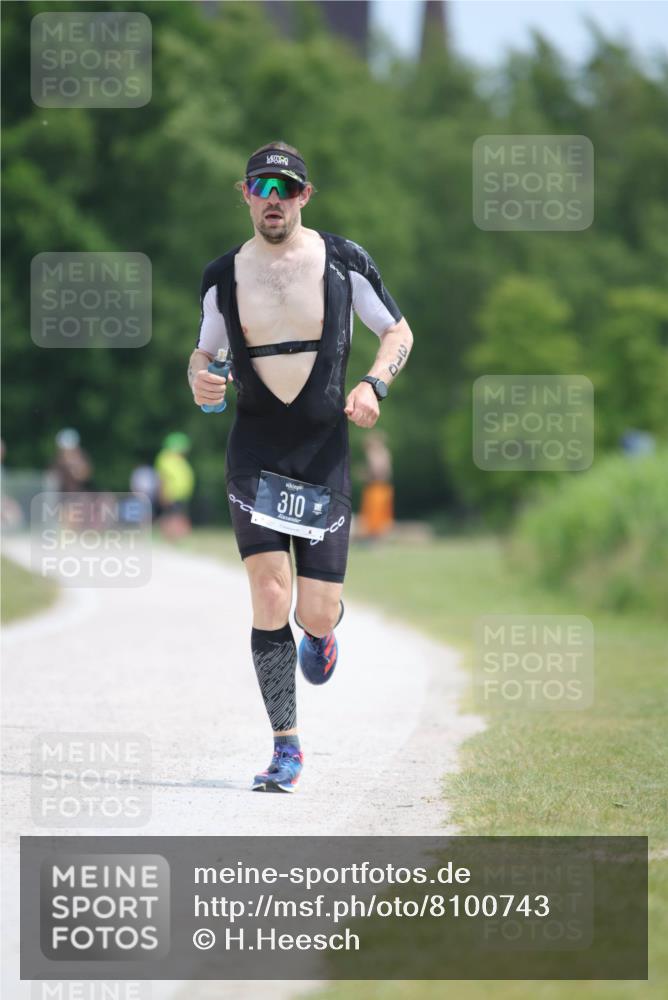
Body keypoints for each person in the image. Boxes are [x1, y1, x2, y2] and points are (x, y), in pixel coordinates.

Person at [188, 141, 413, 792]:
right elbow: (203, 355)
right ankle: (285, 746)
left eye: (286, 189)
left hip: (322, 452)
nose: (274, 199)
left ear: (305, 197)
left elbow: (398, 332)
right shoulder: (222, 275)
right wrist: (201, 380)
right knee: (269, 593)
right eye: (262, 188)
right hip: (256, 451)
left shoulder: (344, 262)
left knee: (314, 610)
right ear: (245, 195)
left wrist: (374, 384)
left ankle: (322, 634)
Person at [154, 432, 195, 540]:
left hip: (180, 494)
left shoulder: (178, 459)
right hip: (171, 493)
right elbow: (162, 478)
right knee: (172, 516)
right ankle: (169, 537)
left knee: (175, 515)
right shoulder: (165, 458)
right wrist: (162, 493)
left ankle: (173, 537)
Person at [358, 430, 394, 540]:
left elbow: (377, 472)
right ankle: (375, 538)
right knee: (377, 515)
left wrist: (364, 475)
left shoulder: (375, 454)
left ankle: (374, 539)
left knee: (375, 515)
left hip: (376, 487)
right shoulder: (385, 453)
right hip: (382, 487)